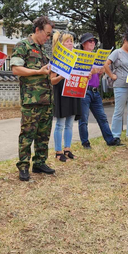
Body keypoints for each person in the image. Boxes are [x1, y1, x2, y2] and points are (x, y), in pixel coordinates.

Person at [11, 16, 55, 182]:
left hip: (46, 100)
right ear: (37, 30)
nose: (48, 38)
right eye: (47, 34)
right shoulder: (23, 46)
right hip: (31, 101)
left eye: (50, 35)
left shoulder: (43, 50)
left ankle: (39, 162)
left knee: (43, 134)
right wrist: (39, 71)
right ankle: (23, 166)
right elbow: (16, 69)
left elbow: (47, 74)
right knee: (27, 135)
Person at [78, 33, 122, 149]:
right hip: (84, 90)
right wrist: (91, 72)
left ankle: (110, 139)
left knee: (102, 117)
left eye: (93, 41)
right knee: (84, 118)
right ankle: (85, 142)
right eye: (89, 41)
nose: (92, 43)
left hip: (94, 90)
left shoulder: (96, 57)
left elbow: (97, 75)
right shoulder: (80, 58)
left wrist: (100, 71)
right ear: (83, 44)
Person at [50, 31, 81, 162]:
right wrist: (61, 76)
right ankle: (58, 151)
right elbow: (52, 80)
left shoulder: (77, 58)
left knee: (70, 123)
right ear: (61, 44)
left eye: (71, 41)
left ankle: (67, 149)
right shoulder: (56, 59)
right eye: (67, 41)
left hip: (73, 91)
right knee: (60, 124)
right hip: (60, 93)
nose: (70, 44)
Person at [105, 30, 128, 140]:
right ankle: (116, 135)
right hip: (120, 85)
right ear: (125, 41)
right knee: (119, 111)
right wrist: (111, 75)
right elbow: (106, 64)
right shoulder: (117, 53)